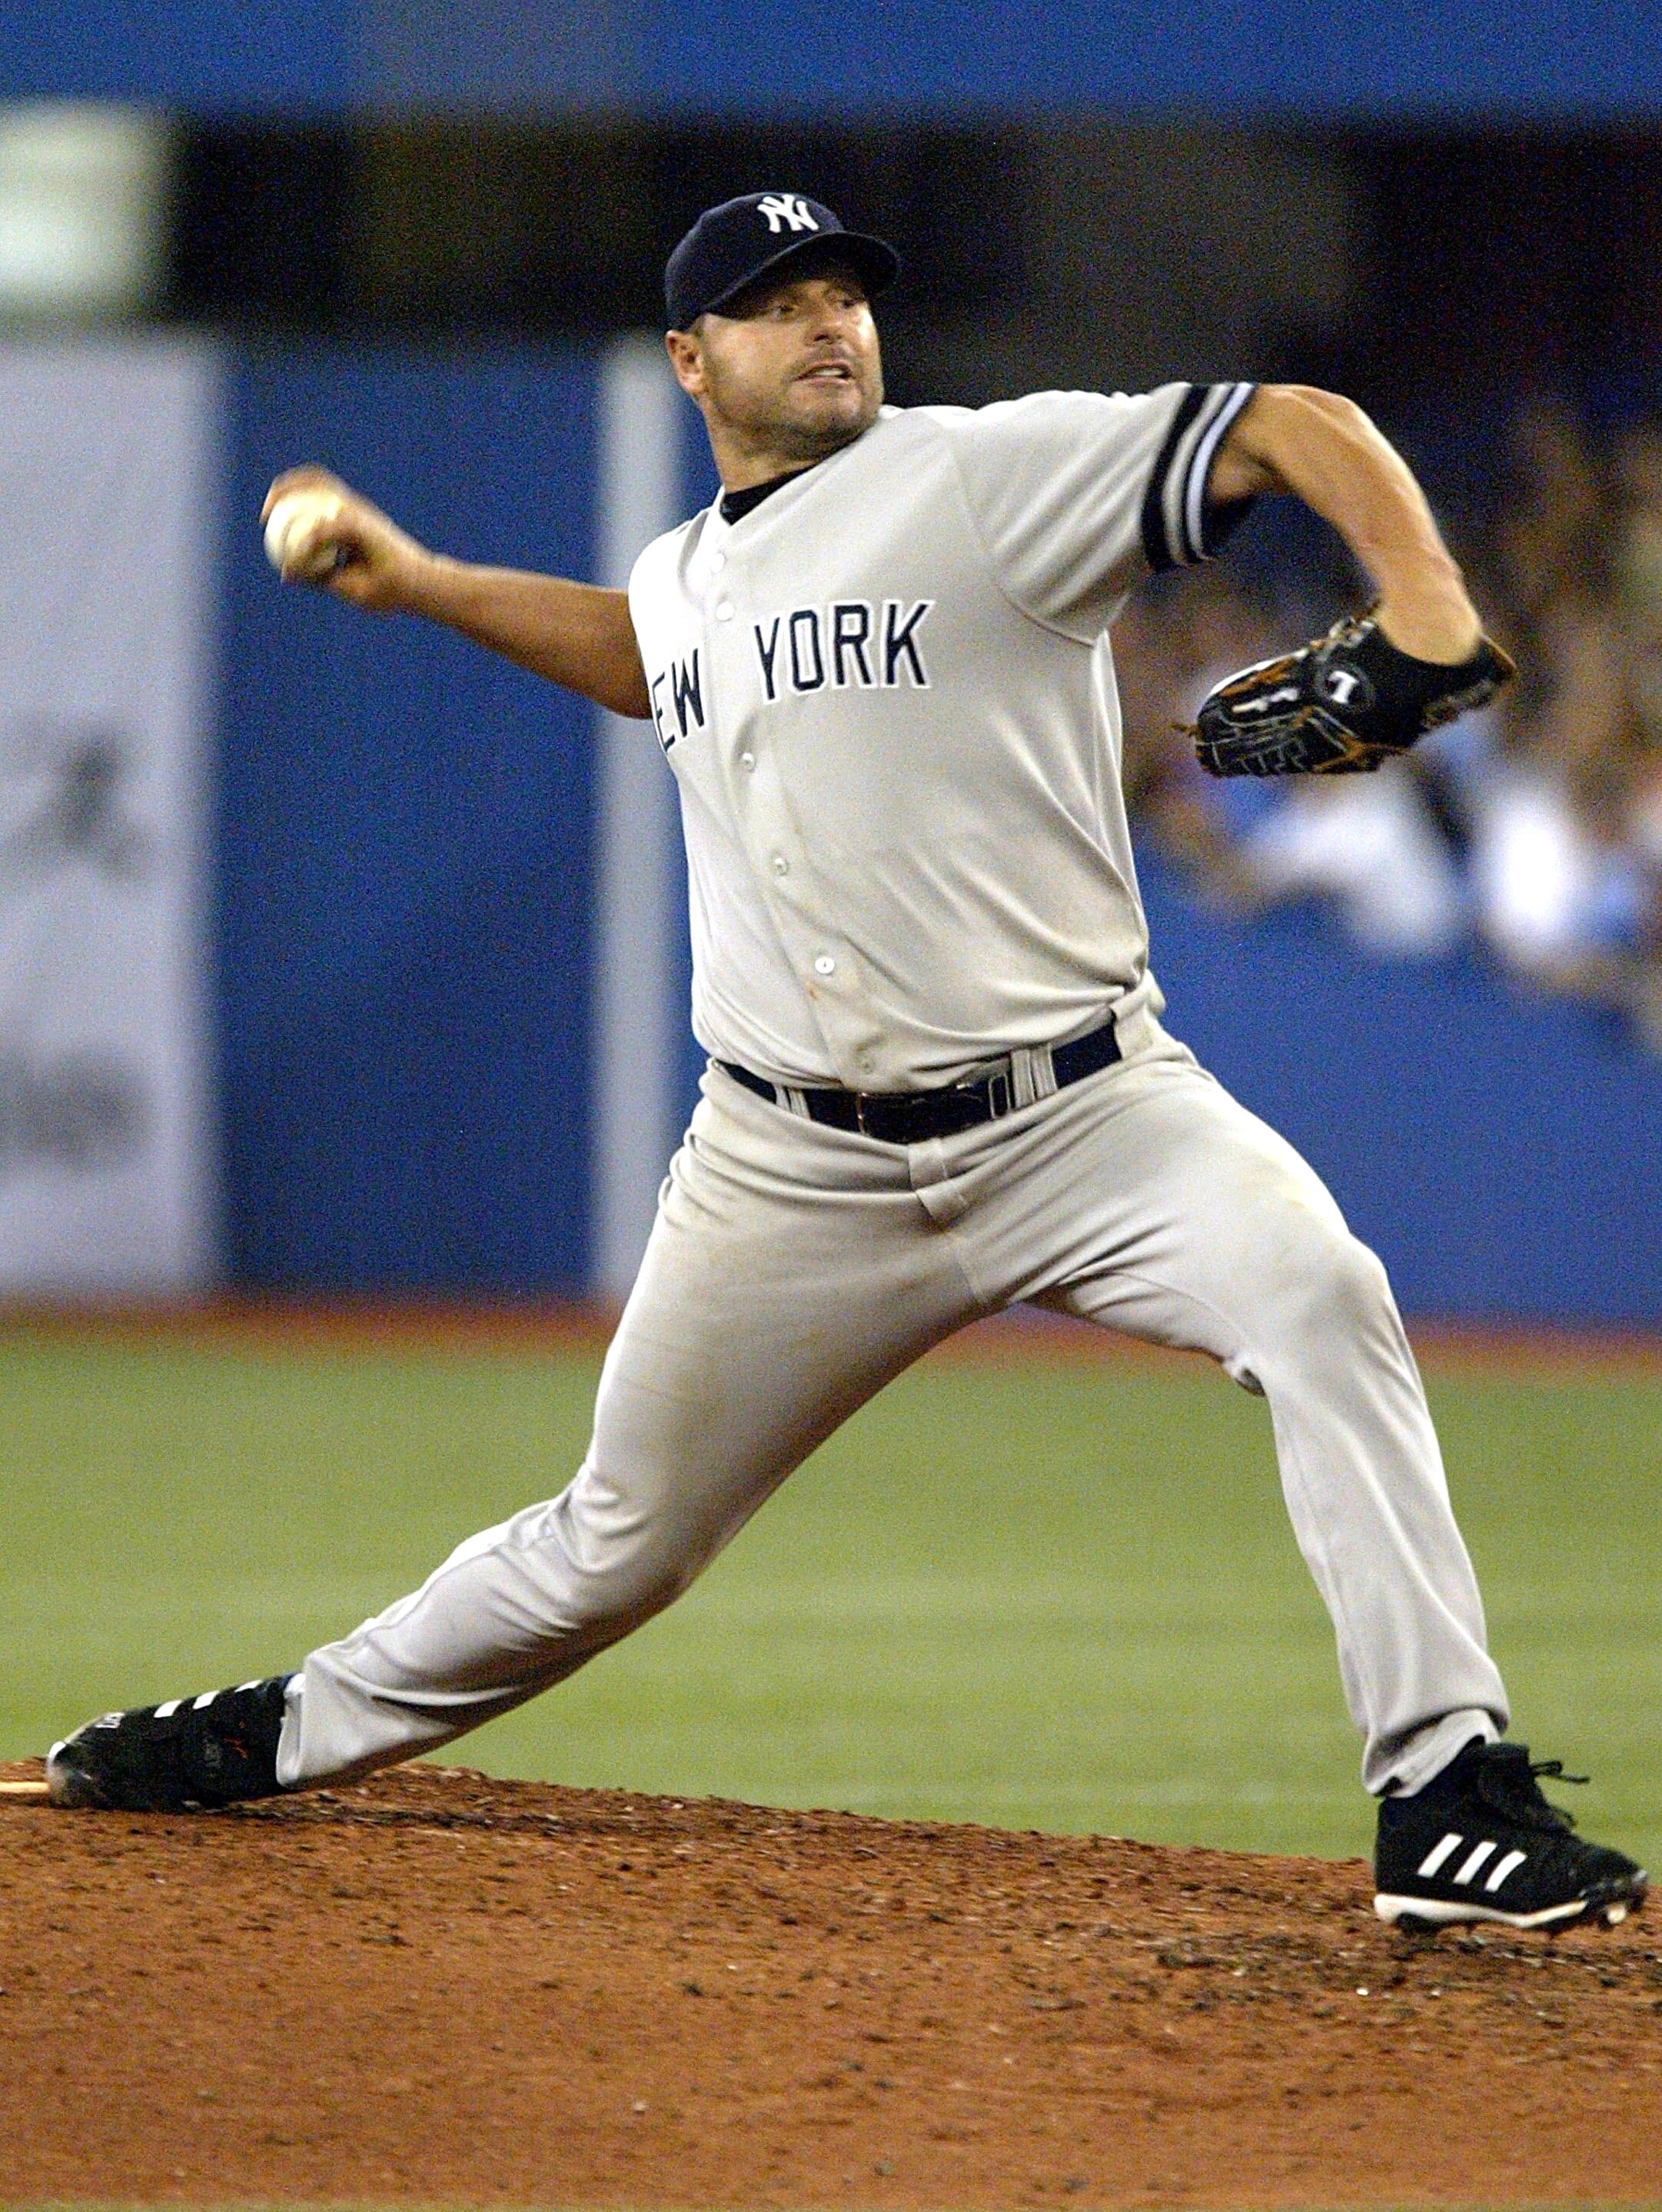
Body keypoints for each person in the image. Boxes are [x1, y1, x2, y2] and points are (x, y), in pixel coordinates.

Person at [48, 194, 1645, 1937]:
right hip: (785, 1170)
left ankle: (1446, 1797)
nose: (827, 323)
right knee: (615, 1542)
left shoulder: (980, 477)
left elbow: (1289, 424)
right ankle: (282, 1728)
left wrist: (1421, 602)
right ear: (689, 360)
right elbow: (651, 652)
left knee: (1321, 1294)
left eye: (843, 295)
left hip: (1088, 1115)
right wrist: (425, 583)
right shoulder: (685, 572)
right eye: (771, 302)